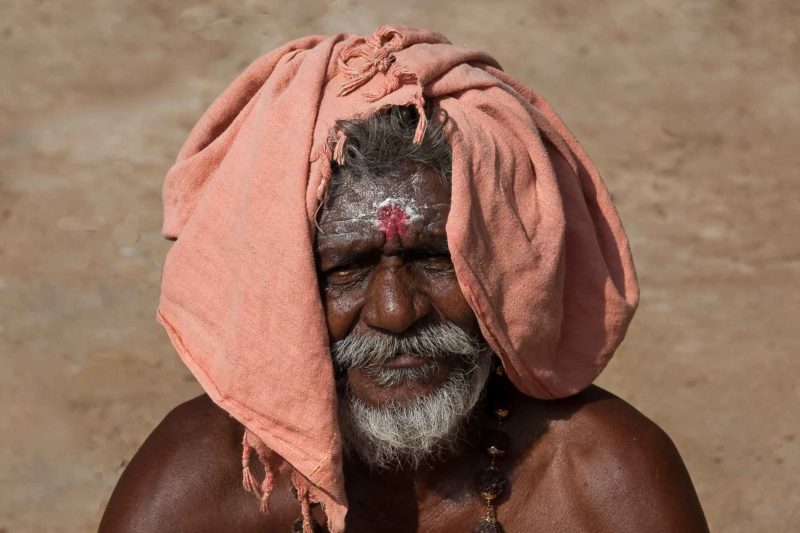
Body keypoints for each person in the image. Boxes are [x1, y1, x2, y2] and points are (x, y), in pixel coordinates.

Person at [100, 26, 709, 532]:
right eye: (346, 269)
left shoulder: (601, 479)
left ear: (497, 267)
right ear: (279, 289)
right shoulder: (202, 486)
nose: (395, 312)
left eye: (434, 260)